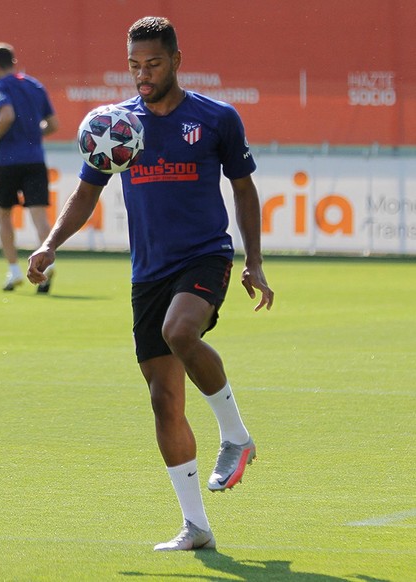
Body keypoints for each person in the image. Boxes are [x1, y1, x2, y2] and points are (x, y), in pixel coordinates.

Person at [28, 16, 274, 551]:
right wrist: (50, 244)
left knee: (180, 332)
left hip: (206, 256)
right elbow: (86, 192)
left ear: (177, 61)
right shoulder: (118, 126)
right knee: (165, 400)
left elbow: (245, 189)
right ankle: (197, 527)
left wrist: (253, 260)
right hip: (149, 271)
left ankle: (235, 437)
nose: (143, 74)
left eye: (154, 63)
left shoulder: (215, 119)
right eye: (135, 64)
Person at [0, 42, 59, 292]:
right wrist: (33, 135)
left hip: (9, 161)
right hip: (35, 159)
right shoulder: (35, 85)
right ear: (13, 61)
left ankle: (14, 271)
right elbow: (53, 124)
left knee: (4, 214)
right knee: (39, 216)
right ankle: (47, 265)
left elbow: (6, 115)